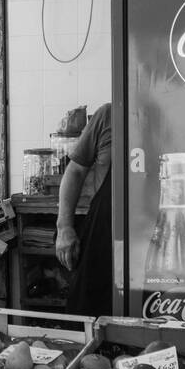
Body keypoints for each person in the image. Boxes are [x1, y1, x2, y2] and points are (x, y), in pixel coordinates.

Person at [56, 101, 113, 317]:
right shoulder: (108, 115)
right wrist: (64, 227)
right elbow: (76, 171)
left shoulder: (173, 114)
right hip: (106, 235)